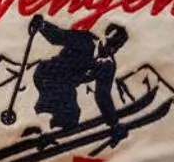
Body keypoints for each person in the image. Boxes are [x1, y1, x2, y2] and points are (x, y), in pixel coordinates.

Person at [28, 14, 130, 142]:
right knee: (58, 99)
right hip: (48, 74)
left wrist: (114, 124)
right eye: (109, 42)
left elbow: (102, 96)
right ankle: (44, 131)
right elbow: (59, 36)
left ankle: (47, 129)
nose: (110, 48)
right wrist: (42, 26)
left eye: (115, 46)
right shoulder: (85, 41)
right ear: (104, 37)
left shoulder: (107, 66)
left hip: (67, 84)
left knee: (71, 118)